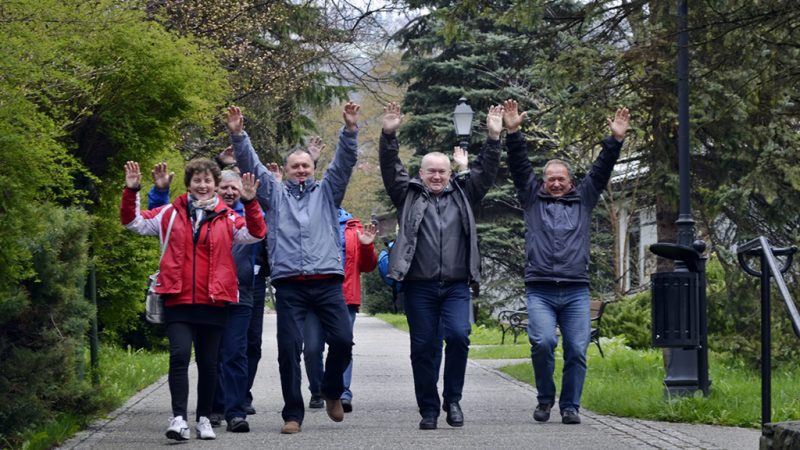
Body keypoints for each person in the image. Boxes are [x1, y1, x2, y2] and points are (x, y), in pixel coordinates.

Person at [227, 102, 361, 434]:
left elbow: (344, 165)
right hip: (290, 284)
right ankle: (292, 414)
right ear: (286, 171)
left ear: (313, 168)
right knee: (288, 350)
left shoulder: (328, 193)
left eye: (305, 165)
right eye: (294, 166)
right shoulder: (273, 195)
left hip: (327, 281)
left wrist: (349, 131)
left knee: (343, 340)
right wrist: (239, 135)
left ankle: (331, 391)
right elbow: (253, 168)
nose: (300, 170)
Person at [503, 99, 630, 425]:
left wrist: (615, 141)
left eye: (561, 178)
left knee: (576, 349)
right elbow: (519, 166)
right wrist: (513, 132)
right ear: (543, 181)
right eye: (550, 178)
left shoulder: (584, 198)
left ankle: (570, 406)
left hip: (575, 290)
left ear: (570, 181)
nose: (556, 183)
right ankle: (545, 399)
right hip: (541, 289)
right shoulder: (532, 198)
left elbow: (601, 169)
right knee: (543, 343)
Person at [120, 159, 266, 441]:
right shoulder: (169, 214)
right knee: (179, 356)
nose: (202, 186)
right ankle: (178, 418)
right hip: (177, 298)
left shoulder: (227, 217)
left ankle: (203, 419)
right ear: (188, 184)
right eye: (197, 181)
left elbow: (256, 233)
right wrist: (133, 190)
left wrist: (250, 203)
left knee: (210, 363)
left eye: (207, 181)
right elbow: (132, 222)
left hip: (214, 301)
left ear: (215, 185)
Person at [378, 101, 503, 430]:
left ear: (450, 174)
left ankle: (453, 399)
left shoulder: (464, 194)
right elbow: (391, 168)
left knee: (460, 337)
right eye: (430, 171)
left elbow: (486, 173)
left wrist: (492, 138)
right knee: (423, 348)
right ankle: (429, 409)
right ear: (421, 174)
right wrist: (389, 135)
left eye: (442, 171)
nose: (436, 176)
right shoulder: (407, 195)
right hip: (419, 286)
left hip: (456, 285)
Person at [303, 208, 378, 413]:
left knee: (343, 345)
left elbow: (368, 265)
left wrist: (366, 246)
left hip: (345, 296)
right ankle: (319, 390)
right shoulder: (307, 220)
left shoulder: (354, 227)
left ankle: (341, 392)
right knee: (311, 348)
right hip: (312, 295)